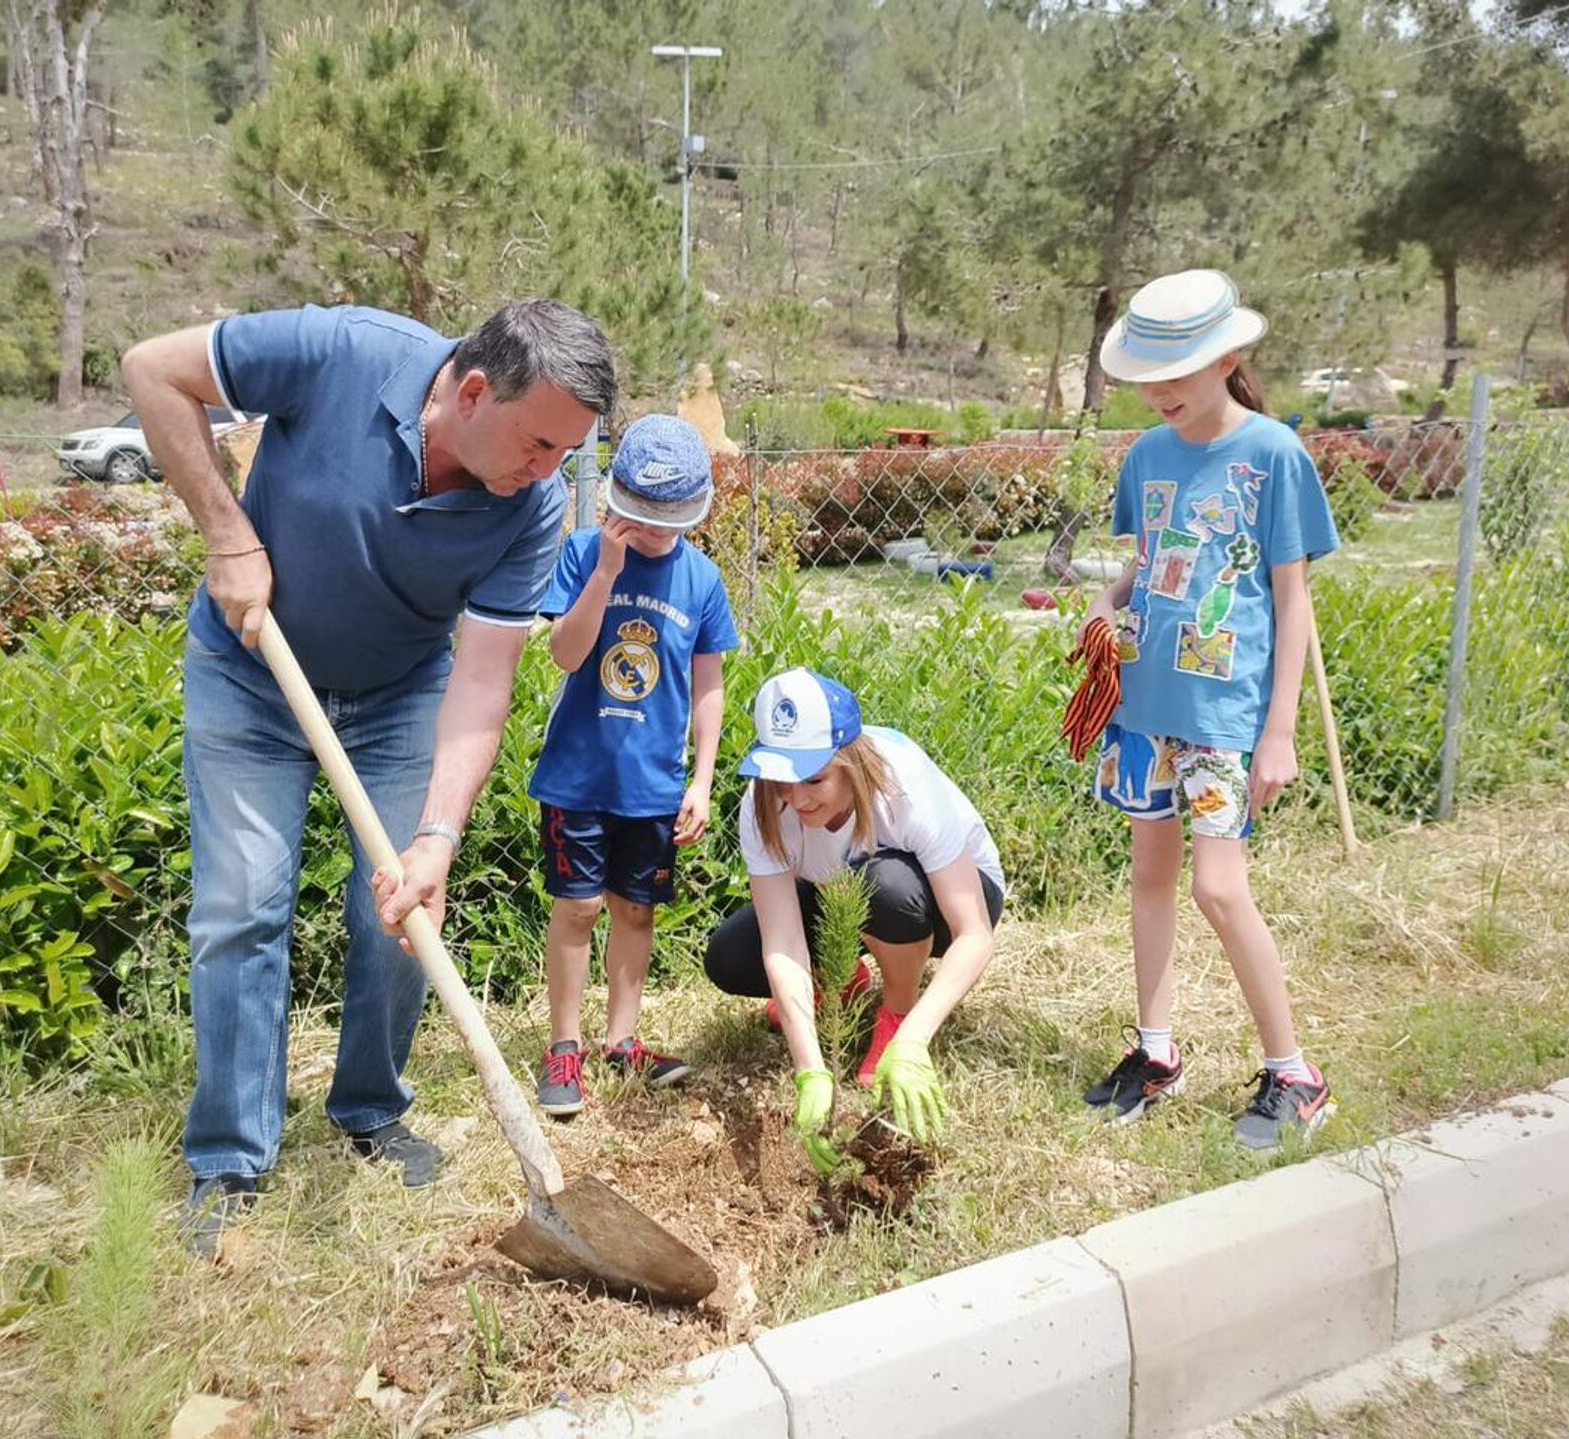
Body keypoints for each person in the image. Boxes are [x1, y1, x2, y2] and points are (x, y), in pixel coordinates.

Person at [121, 299, 616, 1252]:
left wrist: (438, 836)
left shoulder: (530, 508)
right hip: (250, 669)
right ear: (473, 392)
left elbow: (482, 680)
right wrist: (228, 535)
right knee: (243, 909)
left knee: (398, 912)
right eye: (541, 442)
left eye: (567, 453)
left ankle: (370, 1110)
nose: (548, 472)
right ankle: (230, 1157)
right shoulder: (342, 352)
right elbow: (152, 366)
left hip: (399, 695)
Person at [1079, 268, 1340, 1151]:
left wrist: (1279, 732)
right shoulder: (1148, 455)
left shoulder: (1274, 455)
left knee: (1218, 887)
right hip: (1144, 708)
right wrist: (1109, 601)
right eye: (1148, 376)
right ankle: (1156, 1053)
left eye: (1177, 373)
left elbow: (1292, 600)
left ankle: (1295, 1074)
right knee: (1149, 877)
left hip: (1226, 717)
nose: (1159, 392)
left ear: (1227, 359)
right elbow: (1154, 562)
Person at [703, 670, 1004, 1170]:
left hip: (951, 901)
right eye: (782, 780)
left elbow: (975, 934)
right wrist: (811, 1074)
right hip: (843, 890)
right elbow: (782, 942)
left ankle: (896, 1014)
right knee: (730, 959)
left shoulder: (902, 787)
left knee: (885, 888)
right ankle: (843, 981)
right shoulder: (762, 807)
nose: (797, 800)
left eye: (815, 779)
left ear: (850, 761)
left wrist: (914, 1041)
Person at [528, 415, 739, 1116]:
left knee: (636, 911)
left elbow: (708, 686)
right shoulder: (585, 554)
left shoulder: (702, 580)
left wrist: (702, 780)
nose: (653, 532)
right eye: (640, 517)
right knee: (579, 906)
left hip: (653, 783)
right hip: (578, 775)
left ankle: (623, 1041)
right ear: (614, 499)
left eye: (669, 518)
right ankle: (565, 1047)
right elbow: (565, 653)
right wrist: (608, 574)